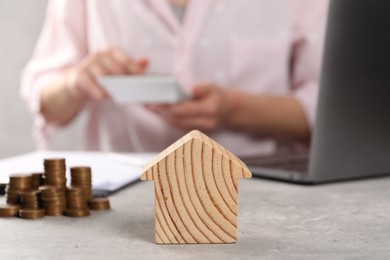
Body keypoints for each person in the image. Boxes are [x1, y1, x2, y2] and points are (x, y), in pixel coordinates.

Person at [21, 0, 328, 159]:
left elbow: (332, 110)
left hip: (261, 195)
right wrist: (76, 81)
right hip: (121, 203)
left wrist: (234, 108)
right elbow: (45, 97)